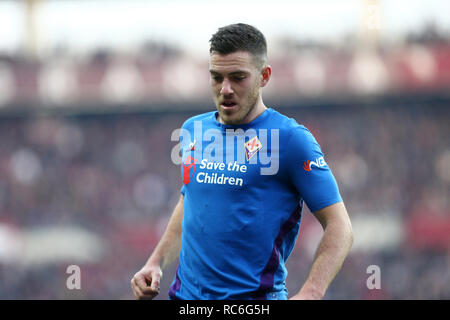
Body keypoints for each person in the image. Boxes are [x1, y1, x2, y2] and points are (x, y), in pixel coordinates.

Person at [131, 23, 353, 300]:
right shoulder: (192, 130)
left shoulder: (290, 139)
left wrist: (311, 292)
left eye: (238, 77)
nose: (225, 89)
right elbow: (191, 200)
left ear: (264, 76)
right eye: (217, 77)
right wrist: (155, 261)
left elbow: (340, 226)